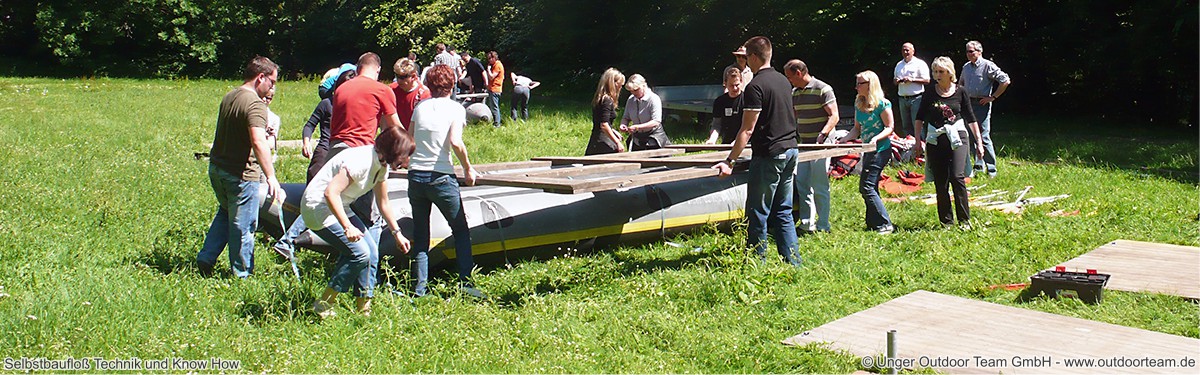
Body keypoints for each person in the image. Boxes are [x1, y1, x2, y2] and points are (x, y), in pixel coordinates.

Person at [712, 36, 801, 266]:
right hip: (791, 151)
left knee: (758, 212)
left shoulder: (755, 86)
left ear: (752, 57)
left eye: (745, 57)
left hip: (769, 155)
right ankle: (793, 262)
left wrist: (729, 162)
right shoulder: (784, 81)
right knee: (783, 210)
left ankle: (756, 263)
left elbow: (747, 129)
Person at [307, 126, 414, 318]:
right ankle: (323, 304)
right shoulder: (362, 161)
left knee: (372, 252)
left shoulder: (381, 166)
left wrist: (397, 233)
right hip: (319, 207)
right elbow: (330, 193)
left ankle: (363, 308)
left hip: (340, 206)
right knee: (360, 253)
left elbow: (383, 203)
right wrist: (347, 227)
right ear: (394, 151)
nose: (407, 161)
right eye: (406, 156)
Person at [197, 56, 284, 278]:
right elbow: (258, 141)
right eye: (272, 82)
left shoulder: (230, 96)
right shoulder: (254, 103)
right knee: (244, 226)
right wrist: (271, 177)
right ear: (260, 77)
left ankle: (206, 258)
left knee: (226, 214)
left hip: (218, 169)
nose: (273, 88)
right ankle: (242, 275)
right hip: (241, 174)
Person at [407, 65, 484, 298]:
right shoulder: (455, 108)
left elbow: (409, 139)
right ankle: (466, 283)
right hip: (440, 176)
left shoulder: (420, 107)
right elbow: (456, 142)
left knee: (421, 235)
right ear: (452, 85)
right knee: (460, 230)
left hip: (416, 175)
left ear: (429, 85)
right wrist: (468, 169)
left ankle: (419, 290)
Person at [272, 68, 357, 260]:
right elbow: (309, 124)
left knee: (329, 202)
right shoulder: (327, 104)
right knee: (319, 201)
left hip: (339, 155)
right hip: (324, 155)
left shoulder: (351, 105)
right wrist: (306, 141)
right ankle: (287, 240)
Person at [915, 57, 984, 228]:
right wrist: (918, 141)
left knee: (957, 176)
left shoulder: (961, 91)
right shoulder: (930, 92)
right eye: (935, 71)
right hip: (936, 138)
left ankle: (964, 221)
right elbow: (919, 118)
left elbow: (970, 117)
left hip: (958, 136)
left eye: (941, 72)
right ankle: (946, 222)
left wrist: (979, 142)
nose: (937, 75)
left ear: (949, 73)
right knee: (941, 181)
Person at [784, 59, 838, 234]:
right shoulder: (794, 93)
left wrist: (823, 134)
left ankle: (823, 225)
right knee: (803, 183)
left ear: (799, 73)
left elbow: (834, 116)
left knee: (819, 184)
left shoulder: (823, 88)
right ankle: (807, 224)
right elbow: (793, 117)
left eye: (790, 77)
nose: (789, 80)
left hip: (821, 145)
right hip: (803, 144)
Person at [845, 70, 895, 234]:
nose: (856, 87)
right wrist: (844, 140)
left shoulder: (882, 104)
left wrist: (876, 139)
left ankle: (885, 223)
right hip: (867, 150)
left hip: (880, 150)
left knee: (866, 187)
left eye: (860, 83)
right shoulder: (858, 103)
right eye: (857, 83)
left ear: (870, 85)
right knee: (871, 185)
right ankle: (873, 222)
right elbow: (857, 129)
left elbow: (890, 127)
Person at [962, 40, 1011, 178]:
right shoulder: (966, 67)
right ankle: (978, 165)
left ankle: (992, 170)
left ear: (979, 51)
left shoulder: (987, 65)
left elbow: (1005, 80)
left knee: (983, 136)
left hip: (982, 104)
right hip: (968, 103)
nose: (969, 54)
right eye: (967, 51)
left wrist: (993, 97)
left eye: (971, 51)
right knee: (970, 135)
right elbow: (961, 83)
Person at [619, 74, 671, 150]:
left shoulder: (654, 99)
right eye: (631, 91)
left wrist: (637, 127)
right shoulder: (631, 99)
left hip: (654, 138)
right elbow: (626, 117)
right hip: (637, 139)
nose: (634, 93)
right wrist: (623, 125)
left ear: (644, 86)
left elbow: (656, 121)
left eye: (636, 90)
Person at [586, 68, 626, 155]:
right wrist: (617, 143)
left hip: (596, 139)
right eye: (620, 84)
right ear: (613, 83)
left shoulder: (600, 98)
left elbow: (601, 121)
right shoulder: (607, 100)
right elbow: (604, 125)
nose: (620, 87)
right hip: (603, 142)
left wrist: (613, 131)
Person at [894, 42, 930, 138]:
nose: (905, 52)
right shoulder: (899, 65)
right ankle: (909, 149)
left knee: (918, 125)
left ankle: (922, 148)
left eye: (907, 50)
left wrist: (912, 80)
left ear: (913, 51)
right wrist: (897, 80)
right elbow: (894, 81)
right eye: (903, 50)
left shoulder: (920, 64)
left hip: (916, 98)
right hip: (902, 98)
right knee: (906, 126)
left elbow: (927, 80)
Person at [704, 66, 744, 145]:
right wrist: (712, 139)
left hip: (744, 143)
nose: (735, 88)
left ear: (741, 82)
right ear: (725, 84)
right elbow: (716, 125)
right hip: (726, 142)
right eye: (731, 85)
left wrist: (738, 142)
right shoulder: (720, 101)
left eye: (737, 85)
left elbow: (749, 127)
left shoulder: (748, 99)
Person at [390, 58, 432, 131]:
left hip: (415, 136)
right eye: (397, 76)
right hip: (396, 135)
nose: (399, 80)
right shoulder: (391, 90)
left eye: (403, 77)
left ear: (413, 76)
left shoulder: (423, 94)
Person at [486, 51, 505, 128]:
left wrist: (488, 69)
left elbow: (491, 76)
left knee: (494, 107)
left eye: (491, 58)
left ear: (495, 58)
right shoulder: (494, 65)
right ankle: (495, 121)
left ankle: (497, 124)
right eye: (488, 58)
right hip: (492, 88)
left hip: (495, 89)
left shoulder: (497, 65)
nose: (489, 60)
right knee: (492, 106)